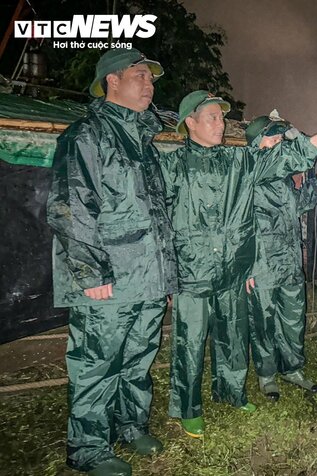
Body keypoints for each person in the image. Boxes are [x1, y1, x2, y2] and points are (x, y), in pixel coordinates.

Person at [162, 92, 317, 439]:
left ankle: (231, 391)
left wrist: (310, 143)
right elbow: (162, 221)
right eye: (213, 117)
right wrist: (169, 274)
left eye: (222, 117)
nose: (221, 124)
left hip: (233, 269)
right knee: (190, 342)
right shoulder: (173, 165)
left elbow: (276, 161)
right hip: (194, 271)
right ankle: (188, 408)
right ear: (190, 122)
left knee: (232, 335)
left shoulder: (236, 162)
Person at [46, 48, 176, 476]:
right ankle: (87, 449)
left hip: (147, 276)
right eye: (139, 75)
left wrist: (165, 273)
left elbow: (156, 213)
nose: (149, 84)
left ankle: (130, 424)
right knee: (98, 363)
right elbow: (70, 205)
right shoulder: (87, 135)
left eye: (151, 78)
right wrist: (90, 272)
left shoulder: (144, 142)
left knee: (137, 356)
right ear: (112, 82)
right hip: (109, 278)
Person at [244, 115, 317, 401]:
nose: (279, 142)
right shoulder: (253, 171)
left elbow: (299, 205)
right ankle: (267, 375)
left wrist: (316, 185)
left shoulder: (281, 182)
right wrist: (313, 143)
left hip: (289, 262)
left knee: (293, 319)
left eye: (281, 138)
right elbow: (283, 160)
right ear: (257, 143)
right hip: (262, 264)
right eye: (273, 138)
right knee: (264, 323)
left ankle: (292, 368)